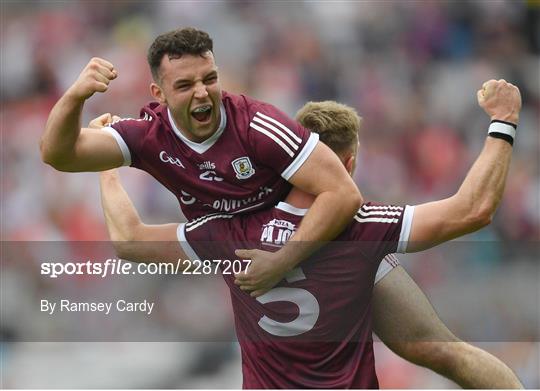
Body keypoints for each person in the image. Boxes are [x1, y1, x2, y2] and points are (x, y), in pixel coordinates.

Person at [96, 80, 523, 388]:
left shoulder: (232, 228)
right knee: (440, 349)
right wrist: (503, 122)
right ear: (350, 163)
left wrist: (107, 168)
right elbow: (474, 210)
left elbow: (130, 240)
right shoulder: (362, 226)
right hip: (354, 274)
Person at [39, 27, 362, 297]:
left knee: (413, 345)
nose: (202, 93)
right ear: (159, 93)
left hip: (323, 246)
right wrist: (75, 97)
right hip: (229, 245)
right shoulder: (149, 136)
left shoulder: (257, 126)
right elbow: (58, 154)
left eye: (209, 79)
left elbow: (344, 193)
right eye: (184, 85)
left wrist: (281, 260)